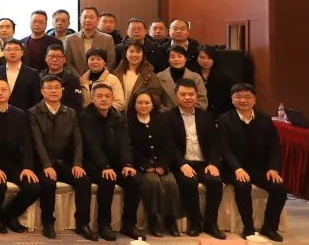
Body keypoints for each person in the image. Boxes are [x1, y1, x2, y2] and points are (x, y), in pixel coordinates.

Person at [218, 83, 286, 241]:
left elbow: (274, 147)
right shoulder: (224, 119)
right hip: (233, 169)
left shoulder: (265, 119)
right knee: (243, 185)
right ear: (232, 99)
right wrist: (237, 168)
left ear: (254, 99)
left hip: (259, 168)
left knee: (280, 189)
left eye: (247, 97)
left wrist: (273, 168)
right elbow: (225, 149)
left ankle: (269, 228)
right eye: (238, 97)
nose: (243, 100)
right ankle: (248, 228)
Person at [29, 75, 93, 240]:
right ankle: (48, 222)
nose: (53, 91)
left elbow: (78, 141)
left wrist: (77, 163)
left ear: (62, 90)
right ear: (42, 91)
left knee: (83, 180)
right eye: (49, 88)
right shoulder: (33, 113)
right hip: (42, 163)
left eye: (56, 87)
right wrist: (46, 165)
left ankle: (82, 224)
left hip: (64, 162)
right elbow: (37, 142)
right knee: (48, 182)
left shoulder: (71, 113)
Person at [80, 83, 143, 241]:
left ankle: (129, 224)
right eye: (99, 96)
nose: (104, 99)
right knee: (107, 179)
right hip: (93, 163)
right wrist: (104, 166)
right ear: (92, 99)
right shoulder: (84, 117)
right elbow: (90, 145)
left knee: (135, 180)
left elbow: (125, 143)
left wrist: (127, 164)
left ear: (113, 99)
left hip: (115, 164)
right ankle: (104, 224)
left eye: (107, 96)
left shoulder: (118, 117)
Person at [0, 77, 41, 235]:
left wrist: (27, 167)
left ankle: (10, 215)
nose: (0, 93)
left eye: (3, 89)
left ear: (9, 92)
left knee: (33, 187)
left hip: (13, 162)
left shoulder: (20, 114)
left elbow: (27, 143)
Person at [167, 79, 225, 240]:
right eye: (183, 94)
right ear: (176, 95)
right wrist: (181, 164)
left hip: (204, 162)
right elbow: (169, 145)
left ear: (196, 95)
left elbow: (215, 143)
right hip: (183, 163)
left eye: (191, 94)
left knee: (215, 182)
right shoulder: (168, 117)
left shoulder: (206, 116)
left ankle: (211, 223)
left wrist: (213, 163)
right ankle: (195, 222)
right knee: (188, 182)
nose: (187, 98)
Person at [127, 92, 180, 237]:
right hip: (142, 166)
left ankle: (171, 220)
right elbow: (130, 148)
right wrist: (145, 165)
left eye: (147, 103)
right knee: (152, 182)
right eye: (140, 103)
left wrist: (162, 165)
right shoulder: (128, 123)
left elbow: (169, 146)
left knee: (171, 182)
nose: (143, 106)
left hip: (162, 164)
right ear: (134, 105)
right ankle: (153, 220)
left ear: (152, 104)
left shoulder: (162, 121)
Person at [112, 42, 163, 112]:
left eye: (138, 52)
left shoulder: (150, 75)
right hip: (117, 114)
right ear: (126, 54)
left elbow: (155, 97)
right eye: (131, 51)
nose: (134, 55)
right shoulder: (116, 73)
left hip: (139, 114)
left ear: (143, 54)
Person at [65, 7, 116, 74]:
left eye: (91, 17)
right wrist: (78, 77)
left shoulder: (107, 39)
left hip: (101, 78)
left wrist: (100, 76)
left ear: (97, 19)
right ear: (80, 19)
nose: (88, 20)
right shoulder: (70, 39)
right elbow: (68, 63)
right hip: (77, 78)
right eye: (85, 17)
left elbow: (111, 62)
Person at [0, 40, 41, 111]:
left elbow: (36, 98)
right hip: (0, 113)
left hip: (25, 114)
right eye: (8, 49)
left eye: (16, 49)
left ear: (22, 53)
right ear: (4, 53)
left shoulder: (33, 73)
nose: (12, 52)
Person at [156, 46, 207, 111]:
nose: (176, 59)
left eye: (180, 56)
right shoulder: (159, 77)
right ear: (168, 60)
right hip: (167, 114)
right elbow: (156, 101)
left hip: (191, 114)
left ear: (185, 59)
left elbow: (202, 101)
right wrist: (168, 113)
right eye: (172, 57)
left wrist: (187, 112)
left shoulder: (196, 77)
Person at [39, 44, 82, 111]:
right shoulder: (39, 77)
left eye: (59, 56)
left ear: (64, 59)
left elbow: (76, 104)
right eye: (51, 56)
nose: (55, 59)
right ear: (46, 58)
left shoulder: (72, 79)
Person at [197, 46, 233, 116]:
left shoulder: (223, 76)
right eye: (202, 57)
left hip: (219, 112)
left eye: (209, 58)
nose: (206, 61)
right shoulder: (192, 75)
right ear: (197, 58)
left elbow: (227, 99)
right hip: (197, 112)